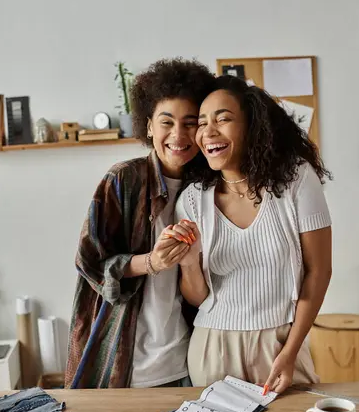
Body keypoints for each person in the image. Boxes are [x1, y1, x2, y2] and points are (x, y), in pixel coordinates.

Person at [173, 75, 332, 393]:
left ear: (252, 126)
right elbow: (198, 298)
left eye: (223, 119)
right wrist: (190, 262)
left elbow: (319, 271)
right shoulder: (192, 200)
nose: (209, 132)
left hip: (279, 344)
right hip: (212, 347)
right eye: (202, 123)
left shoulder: (297, 181)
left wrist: (289, 352)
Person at [65, 58, 215, 388]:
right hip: (124, 363)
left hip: (185, 361)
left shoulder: (208, 188)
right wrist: (152, 261)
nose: (178, 134)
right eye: (167, 122)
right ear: (148, 126)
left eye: (190, 123)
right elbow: (89, 263)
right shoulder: (123, 180)